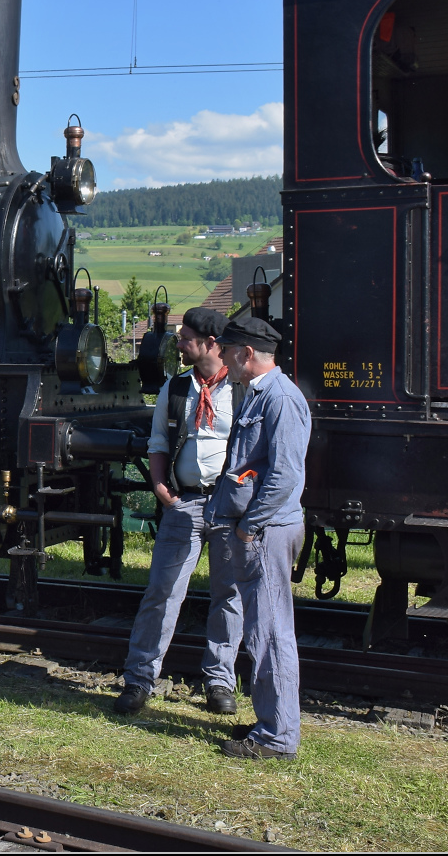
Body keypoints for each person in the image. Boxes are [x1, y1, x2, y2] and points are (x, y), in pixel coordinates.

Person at [112, 306, 245, 717]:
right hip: (183, 502)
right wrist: (159, 485)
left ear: (209, 343)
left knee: (229, 595)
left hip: (228, 505)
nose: (179, 343)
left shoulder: (242, 389)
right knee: (163, 592)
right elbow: (158, 443)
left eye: (185, 337)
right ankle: (139, 680)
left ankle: (220, 682)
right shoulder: (176, 388)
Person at [207, 313, 311, 760]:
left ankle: (276, 738)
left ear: (248, 353)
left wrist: (250, 525)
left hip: (266, 530)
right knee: (263, 629)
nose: (224, 359)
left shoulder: (280, 399)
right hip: (262, 529)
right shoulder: (259, 394)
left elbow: (286, 475)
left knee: (270, 633)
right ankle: (273, 719)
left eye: (229, 352)